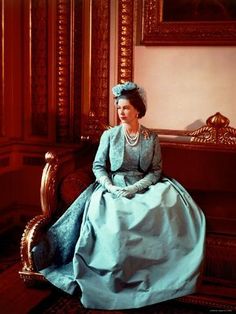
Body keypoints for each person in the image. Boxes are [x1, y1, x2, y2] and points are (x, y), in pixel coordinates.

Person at [32, 82, 206, 310]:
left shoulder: (150, 137)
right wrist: (110, 187)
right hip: (112, 186)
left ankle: (159, 276)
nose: (121, 113)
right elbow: (98, 166)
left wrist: (136, 188)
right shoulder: (110, 136)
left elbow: (155, 171)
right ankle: (113, 276)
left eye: (125, 108)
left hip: (145, 185)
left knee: (164, 205)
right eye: (119, 108)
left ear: (137, 110)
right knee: (113, 215)